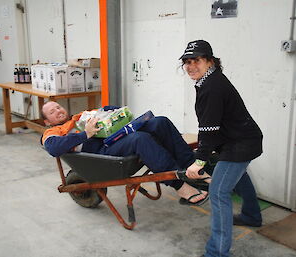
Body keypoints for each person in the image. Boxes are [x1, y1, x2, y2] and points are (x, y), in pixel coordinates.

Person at [179, 40, 263, 257]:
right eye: (187, 62)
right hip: (240, 139)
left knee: (218, 192)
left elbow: (208, 127)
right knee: (239, 176)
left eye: (196, 60)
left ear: (210, 61)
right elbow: (213, 125)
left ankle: (217, 252)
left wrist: (200, 161)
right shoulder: (209, 81)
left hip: (240, 143)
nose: (190, 66)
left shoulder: (212, 86)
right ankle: (252, 216)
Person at [41, 101, 211, 205]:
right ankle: (179, 186)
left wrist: (114, 112)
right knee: (140, 139)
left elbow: (108, 111)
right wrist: (86, 134)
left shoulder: (79, 118)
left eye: (58, 107)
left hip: (114, 138)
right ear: (47, 121)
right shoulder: (54, 132)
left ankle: (191, 168)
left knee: (160, 122)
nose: (57, 111)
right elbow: (53, 148)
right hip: (102, 154)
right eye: (52, 112)